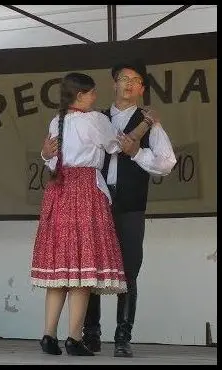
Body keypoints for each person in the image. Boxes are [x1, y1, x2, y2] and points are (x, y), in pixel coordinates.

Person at [78, 61, 177, 357]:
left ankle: (123, 337)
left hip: (131, 202)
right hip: (97, 199)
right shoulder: (95, 118)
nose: (129, 84)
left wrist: (137, 152)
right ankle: (91, 335)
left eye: (136, 80)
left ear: (142, 89)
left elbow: (167, 162)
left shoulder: (150, 122)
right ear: (114, 83)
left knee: (129, 269)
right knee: (91, 268)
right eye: (124, 78)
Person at [31, 72, 127, 356]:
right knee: (83, 269)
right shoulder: (96, 120)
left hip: (59, 192)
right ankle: (74, 338)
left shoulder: (56, 120)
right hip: (85, 190)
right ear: (80, 95)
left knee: (60, 271)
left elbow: (49, 158)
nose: (96, 97)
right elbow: (114, 146)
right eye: (92, 93)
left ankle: (48, 335)